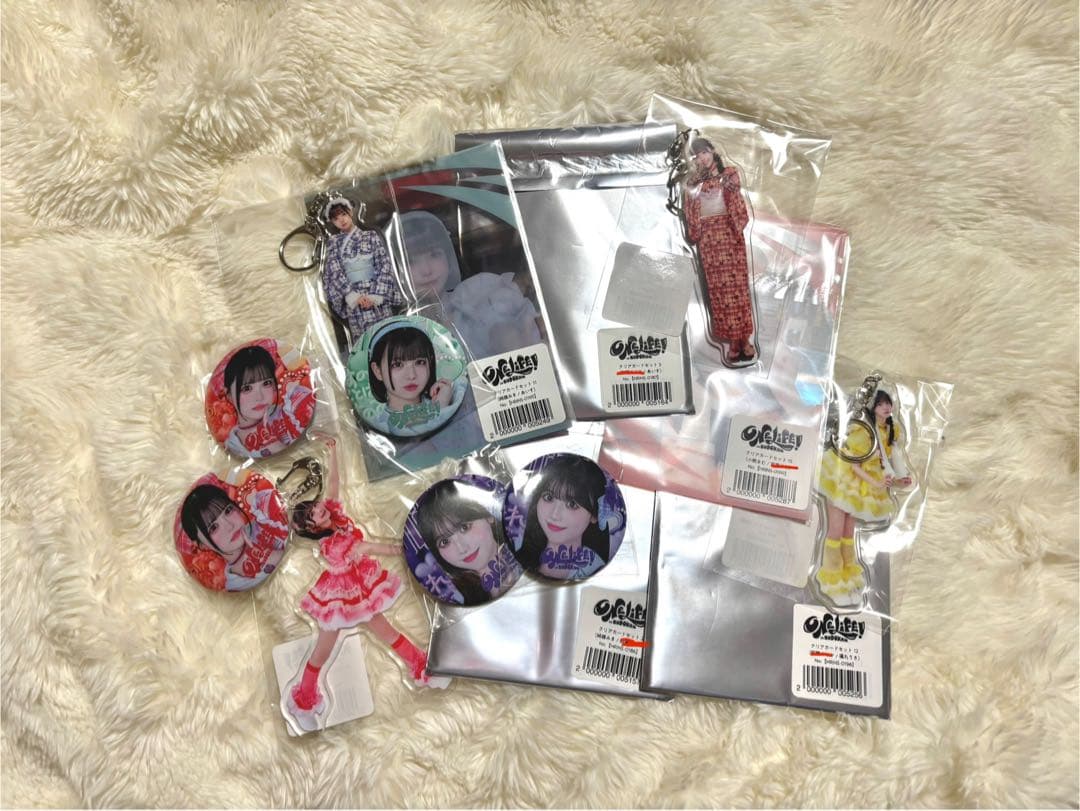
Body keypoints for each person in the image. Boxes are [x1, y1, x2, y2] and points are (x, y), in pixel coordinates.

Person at [284, 437, 447, 732]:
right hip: (339, 596)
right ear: (311, 527)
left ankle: (422, 667)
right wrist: (401, 550)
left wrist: (334, 452)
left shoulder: (336, 516)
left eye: (316, 506)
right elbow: (368, 547)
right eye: (314, 513)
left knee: (386, 632)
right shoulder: (333, 544)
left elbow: (334, 485)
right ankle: (304, 700)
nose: (320, 508)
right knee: (323, 650)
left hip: (358, 591)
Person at [816, 389, 913, 605]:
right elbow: (854, 466)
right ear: (873, 407)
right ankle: (832, 582)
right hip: (843, 480)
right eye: (881, 404)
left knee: (848, 533)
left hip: (862, 486)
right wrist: (877, 483)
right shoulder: (864, 430)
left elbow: (888, 463)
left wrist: (900, 480)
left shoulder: (889, 431)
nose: (886, 407)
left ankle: (848, 579)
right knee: (836, 530)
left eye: (888, 403)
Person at [683, 137, 756, 364]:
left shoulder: (729, 174)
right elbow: (690, 207)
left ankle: (745, 339)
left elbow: (734, 195)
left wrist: (718, 180)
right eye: (697, 156)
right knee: (719, 290)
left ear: (713, 151)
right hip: (709, 239)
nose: (702, 158)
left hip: (729, 231)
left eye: (705, 152)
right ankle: (733, 341)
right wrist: (696, 231)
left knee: (738, 287)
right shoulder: (693, 182)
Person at [517, 455, 623, 580]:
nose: (555, 514)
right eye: (548, 497)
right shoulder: (518, 553)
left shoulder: (597, 569)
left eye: (572, 504)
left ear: (594, 515)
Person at [415, 479, 521, 604]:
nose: (461, 548)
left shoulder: (525, 550)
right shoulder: (456, 597)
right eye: (444, 542)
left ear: (488, 515)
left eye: (464, 527)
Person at [179, 476, 288, 591]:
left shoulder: (263, 517)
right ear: (202, 545)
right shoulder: (236, 584)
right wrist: (258, 554)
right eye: (213, 527)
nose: (230, 525)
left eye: (228, 511)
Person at [321, 197, 404, 343]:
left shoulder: (370, 236)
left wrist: (376, 295)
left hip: (376, 295)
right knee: (363, 343)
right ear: (332, 222)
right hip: (354, 300)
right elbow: (334, 272)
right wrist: (353, 296)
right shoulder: (333, 243)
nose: (341, 220)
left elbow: (384, 263)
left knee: (389, 338)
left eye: (344, 214)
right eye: (336, 219)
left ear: (351, 212)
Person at [221, 344, 315, 458]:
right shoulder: (232, 447)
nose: (259, 397)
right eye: (247, 388)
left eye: (266, 383)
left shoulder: (291, 411)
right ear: (229, 395)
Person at [367, 323, 461, 434]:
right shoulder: (378, 427)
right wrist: (439, 409)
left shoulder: (453, 395)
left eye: (419, 362)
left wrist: (441, 405)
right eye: (397, 364)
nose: (411, 375)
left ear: (430, 362)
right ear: (377, 371)